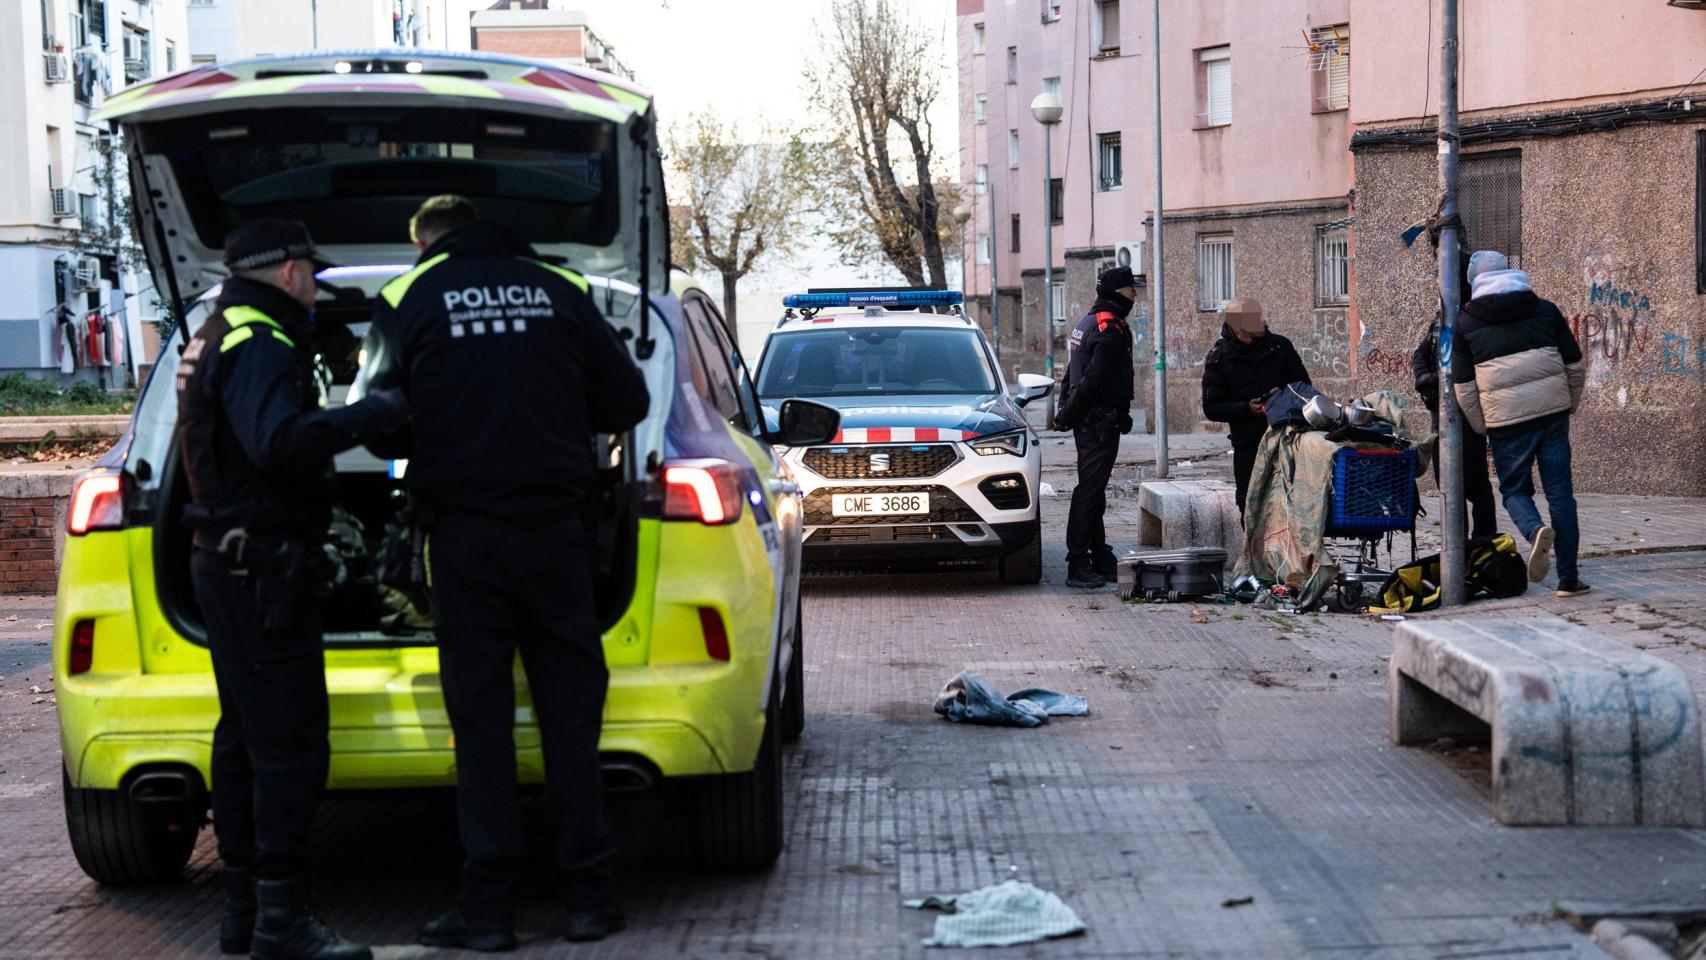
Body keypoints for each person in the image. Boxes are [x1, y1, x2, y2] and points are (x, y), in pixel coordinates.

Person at [359, 195, 651, 949]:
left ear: (426, 241)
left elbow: (375, 416)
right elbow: (629, 398)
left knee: (482, 724)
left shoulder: (407, 296)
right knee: (570, 717)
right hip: (557, 534)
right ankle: (589, 899)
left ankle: (488, 912)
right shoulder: (560, 290)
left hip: (465, 539)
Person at [176, 219, 406, 960]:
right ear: (284, 272)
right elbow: (274, 443)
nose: (313, 280)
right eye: (309, 267)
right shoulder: (262, 342)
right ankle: (283, 921)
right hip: (263, 570)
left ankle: (243, 912)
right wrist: (365, 417)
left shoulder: (219, 329)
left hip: (228, 563)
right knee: (291, 748)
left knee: (243, 741)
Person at [1452, 250, 1591, 597]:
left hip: (1506, 421)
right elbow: (1574, 363)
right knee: (1561, 494)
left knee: (1514, 490)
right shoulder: (1544, 309)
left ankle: (1533, 531)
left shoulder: (1465, 324)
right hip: (1552, 414)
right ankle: (1568, 580)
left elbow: (1464, 389)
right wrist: (1569, 403)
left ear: (1474, 282)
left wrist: (1483, 425)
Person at [1052, 265, 1138, 590]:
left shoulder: (1088, 322)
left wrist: (1066, 411)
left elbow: (1071, 373)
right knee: (1088, 491)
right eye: (1132, 291)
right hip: (1097, 420)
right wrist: (1067, 415)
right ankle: (1078, 562)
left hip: (1095, 418)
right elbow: (1091, 380)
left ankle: (1100, 556)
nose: (1135, 296)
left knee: (1095, 489)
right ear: (1119, 293)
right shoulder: (1108, 329)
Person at [1411, 251, 1498, 540]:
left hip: (1468, 411)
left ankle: (1482, 545)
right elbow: (1421, 353)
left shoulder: (1477, 317)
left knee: (1474, 484)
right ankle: (1457, 548)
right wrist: (1425, 378)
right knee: (1449, 485)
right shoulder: (1442, 319)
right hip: (1441, 413)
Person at [1199, 297, 1310, 522]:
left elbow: (1304, 389)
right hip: (1248, 444)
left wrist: (1282, 395)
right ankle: (1254, 553)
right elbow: (1212, 407)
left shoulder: (1280, 346)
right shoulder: (1220, 357)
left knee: (1291, 502)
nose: (1261, 321)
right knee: (1250, 505)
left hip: (1287, 439)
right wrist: (1246, 408)